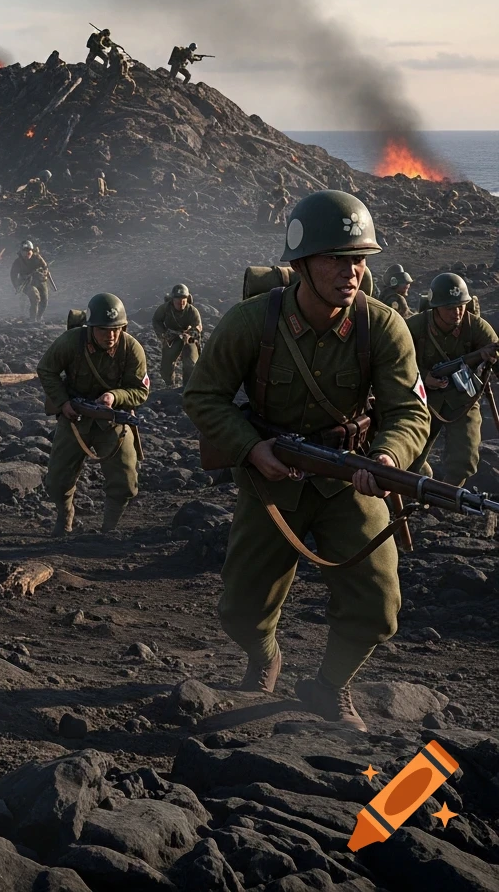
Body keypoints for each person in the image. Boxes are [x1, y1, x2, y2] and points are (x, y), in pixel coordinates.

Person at [183, 191, 430, 730]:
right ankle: (265, 652)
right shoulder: (252, 323)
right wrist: (251, 449)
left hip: (349, 480)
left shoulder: (382, 326)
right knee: (241, 612)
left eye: (359, 259)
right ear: (301, 264)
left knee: (377, 607)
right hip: (272, 480)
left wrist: (387, 457)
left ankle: (330, 687)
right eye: (336, 259)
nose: (352, 272)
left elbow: (410, 411)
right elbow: (203, 397)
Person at [37, 293, 149, 537]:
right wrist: (63, 402)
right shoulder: (71, 342)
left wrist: (115, 397)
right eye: (103, 329)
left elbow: (140, 391)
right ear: (90, 328)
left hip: (112, 419)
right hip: (75, 417)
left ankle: (109, 529)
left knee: (125, 481)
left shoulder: (131, 349)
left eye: (116, 329)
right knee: (57, 481)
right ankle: (64, 518)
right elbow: (46, 369)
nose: (110, 336)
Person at [407, 273, 498, 486]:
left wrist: (492, 358)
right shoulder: (416, 327)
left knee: (464, 458)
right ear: (435, 306)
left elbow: (495, 349)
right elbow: (394, 360)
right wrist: (422, 375)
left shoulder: (476, 326)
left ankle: (445, 495)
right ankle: (413, 490)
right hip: (424, 399)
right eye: (449, 307)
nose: (457, 312)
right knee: (409, 453)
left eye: (460, 306)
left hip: (462, 400)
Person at [152, 283, 202, 387]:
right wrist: (163, 335)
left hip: (188, 337)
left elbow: (198, 327)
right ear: (172, 299)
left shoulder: (192, 311)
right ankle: (170, 385)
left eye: (184, 298)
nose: (181, 302)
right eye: (178, 299)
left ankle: (187, 387)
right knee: (166, 366)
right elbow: (156, 320)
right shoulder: (165, 308)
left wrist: (190, 334)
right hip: (172, 337)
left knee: (191, 363)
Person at [10, 239, 50, 321]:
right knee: (35, 297)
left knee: (44, 301)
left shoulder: (38, 258)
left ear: (32, 251)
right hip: (27, 283)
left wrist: (43, 273)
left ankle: (39, 318)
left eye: (28, 251)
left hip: (40, 281)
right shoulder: (18, 262)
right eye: (24, 251)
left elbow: (45, 267)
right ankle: (33, 320)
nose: (26, 253)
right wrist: (17, 286)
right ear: (21, 252)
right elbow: (13, 275)